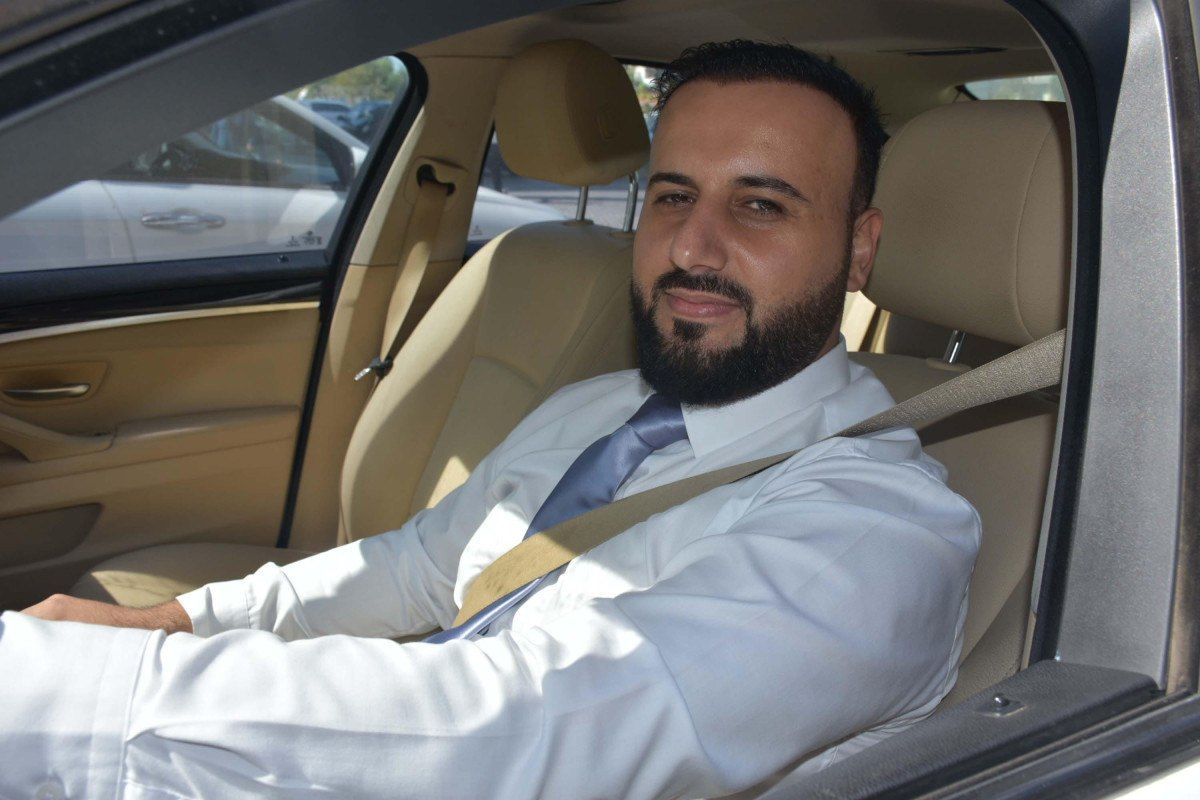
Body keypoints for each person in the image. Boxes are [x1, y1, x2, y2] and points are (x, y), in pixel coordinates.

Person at [0, 41, 979, 799]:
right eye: (673, 194)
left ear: (859, 250)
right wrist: (178, 619)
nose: (692, 246)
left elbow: (543, 723)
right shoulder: (598, 407)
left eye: (761, 206)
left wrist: (83, 697)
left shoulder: (877, 529)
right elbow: (417, 566)